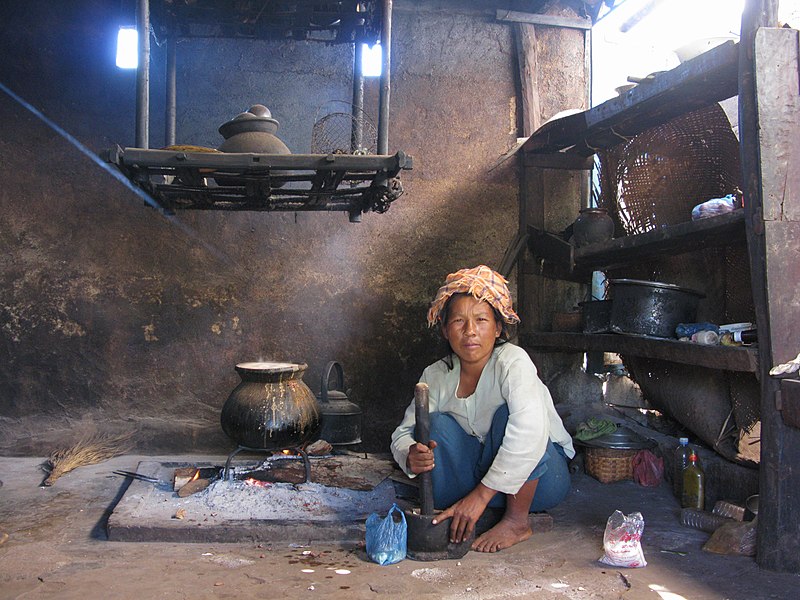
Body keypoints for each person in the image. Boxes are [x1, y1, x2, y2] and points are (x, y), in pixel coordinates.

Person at [391, 265, 575, 553]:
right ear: (444, 329)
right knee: (433, 425)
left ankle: (515, 521)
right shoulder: (435, 375)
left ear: (498, 327)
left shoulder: (513, 362)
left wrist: (480, 496)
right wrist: (410, 454)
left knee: (507, 417)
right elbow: (401, 434)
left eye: (481, 320)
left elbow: (530, 432)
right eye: (458, 322)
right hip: (475, 477)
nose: (470, 332)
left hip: (537, 483)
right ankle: (467, 505)